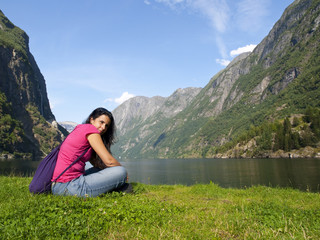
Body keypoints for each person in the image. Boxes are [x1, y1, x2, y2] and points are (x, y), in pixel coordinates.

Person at [51, 107, 130, 197]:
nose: (103, 127)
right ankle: (119, 187)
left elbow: (96, 163)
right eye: (101, 122)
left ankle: (115, 186)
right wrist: (123, 173)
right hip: (69, 186)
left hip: (58, 186)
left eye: (107, 125)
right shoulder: (91, 130)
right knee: (121, 171)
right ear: (91, 119)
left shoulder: (81, 128)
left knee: (101, 169)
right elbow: (109, 161)